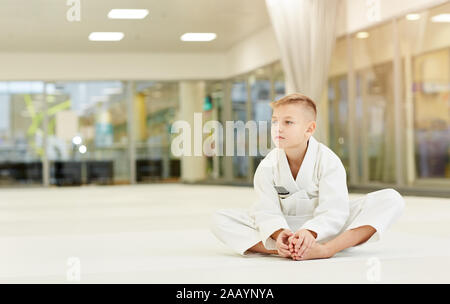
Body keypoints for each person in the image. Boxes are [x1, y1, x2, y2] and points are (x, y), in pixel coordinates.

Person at [210, 93, 405, 260]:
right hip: (284, 227)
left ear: (309, 129)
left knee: (391, 199)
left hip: (327, 230)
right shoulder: (267, 166)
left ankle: (325, 250)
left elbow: (335, 210)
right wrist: (278, 234)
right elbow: (266, 211)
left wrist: (310, 232)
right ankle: (283, 249)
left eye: (288, 122)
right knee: (219, 219)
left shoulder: (328, 160)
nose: (278, 128)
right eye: (275, 121)